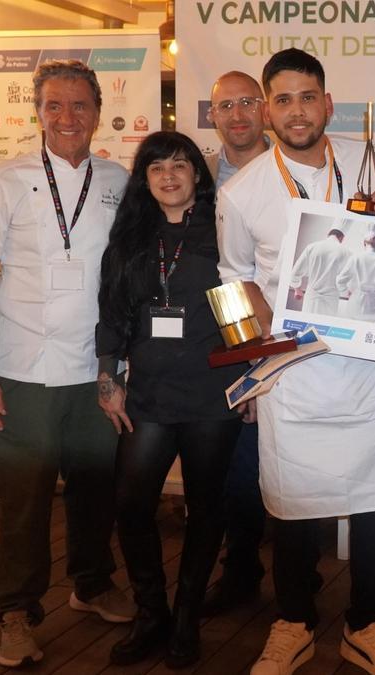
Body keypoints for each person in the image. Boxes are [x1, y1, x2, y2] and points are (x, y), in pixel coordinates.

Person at [216, 48, 375, 675]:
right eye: (283, 100)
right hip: (294, 373)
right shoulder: (241, 191)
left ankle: (368, 624)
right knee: (293, 500)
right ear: (267, 110)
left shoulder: (369, 162)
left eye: (308, 97)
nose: (297, 111)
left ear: (327, 104)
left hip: (369, 368)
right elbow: (233, 278)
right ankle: (294, 621)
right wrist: (256, 367)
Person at [0, 59, 134, 668]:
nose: (67, 116)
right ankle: (16, 611)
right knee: (25, 500)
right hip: (21, 364)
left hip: (95, 367)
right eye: (54, 105)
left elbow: (130, 276)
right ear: (38, 112)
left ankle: (92, 584)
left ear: (98, 112)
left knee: (95, 488)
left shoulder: (118, 180)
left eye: (79, 105)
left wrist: (124, 365)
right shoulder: (4, 180)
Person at [95, 131, 248, 668]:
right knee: (131, 504)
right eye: (157, 167)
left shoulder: (222, 231)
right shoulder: (131, 235)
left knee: (205, 508)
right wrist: (108, 377)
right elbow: (113, 311)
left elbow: (240, 307)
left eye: (180, 165)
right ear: (144, 179)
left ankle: (185, 616)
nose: (169, 176)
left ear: (196, 175)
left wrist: (249, 378)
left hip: (212, 393)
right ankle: (152, 612)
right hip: (150, 394)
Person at [202, 70, 275, 617]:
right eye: (225, 105)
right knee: (232, 468)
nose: (237, 114)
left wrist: (253, 359)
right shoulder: (196, 174)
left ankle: (292, 565)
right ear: (213, 115)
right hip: (211, 338)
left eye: (248, 101)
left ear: (265, 108)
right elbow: (228, 274)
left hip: (279, 339)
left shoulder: (293, 170)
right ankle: (241, 567)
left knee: (276, 462)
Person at [289, 225, 351, 315]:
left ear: (328, 234)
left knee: (307, 322)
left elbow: (295, 273)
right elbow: (348, 278)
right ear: (342, 238)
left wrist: (297, 289)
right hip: (331, 301)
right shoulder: (347, 252)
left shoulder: (312, 247)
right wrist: (347, 292)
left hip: (311, 299)